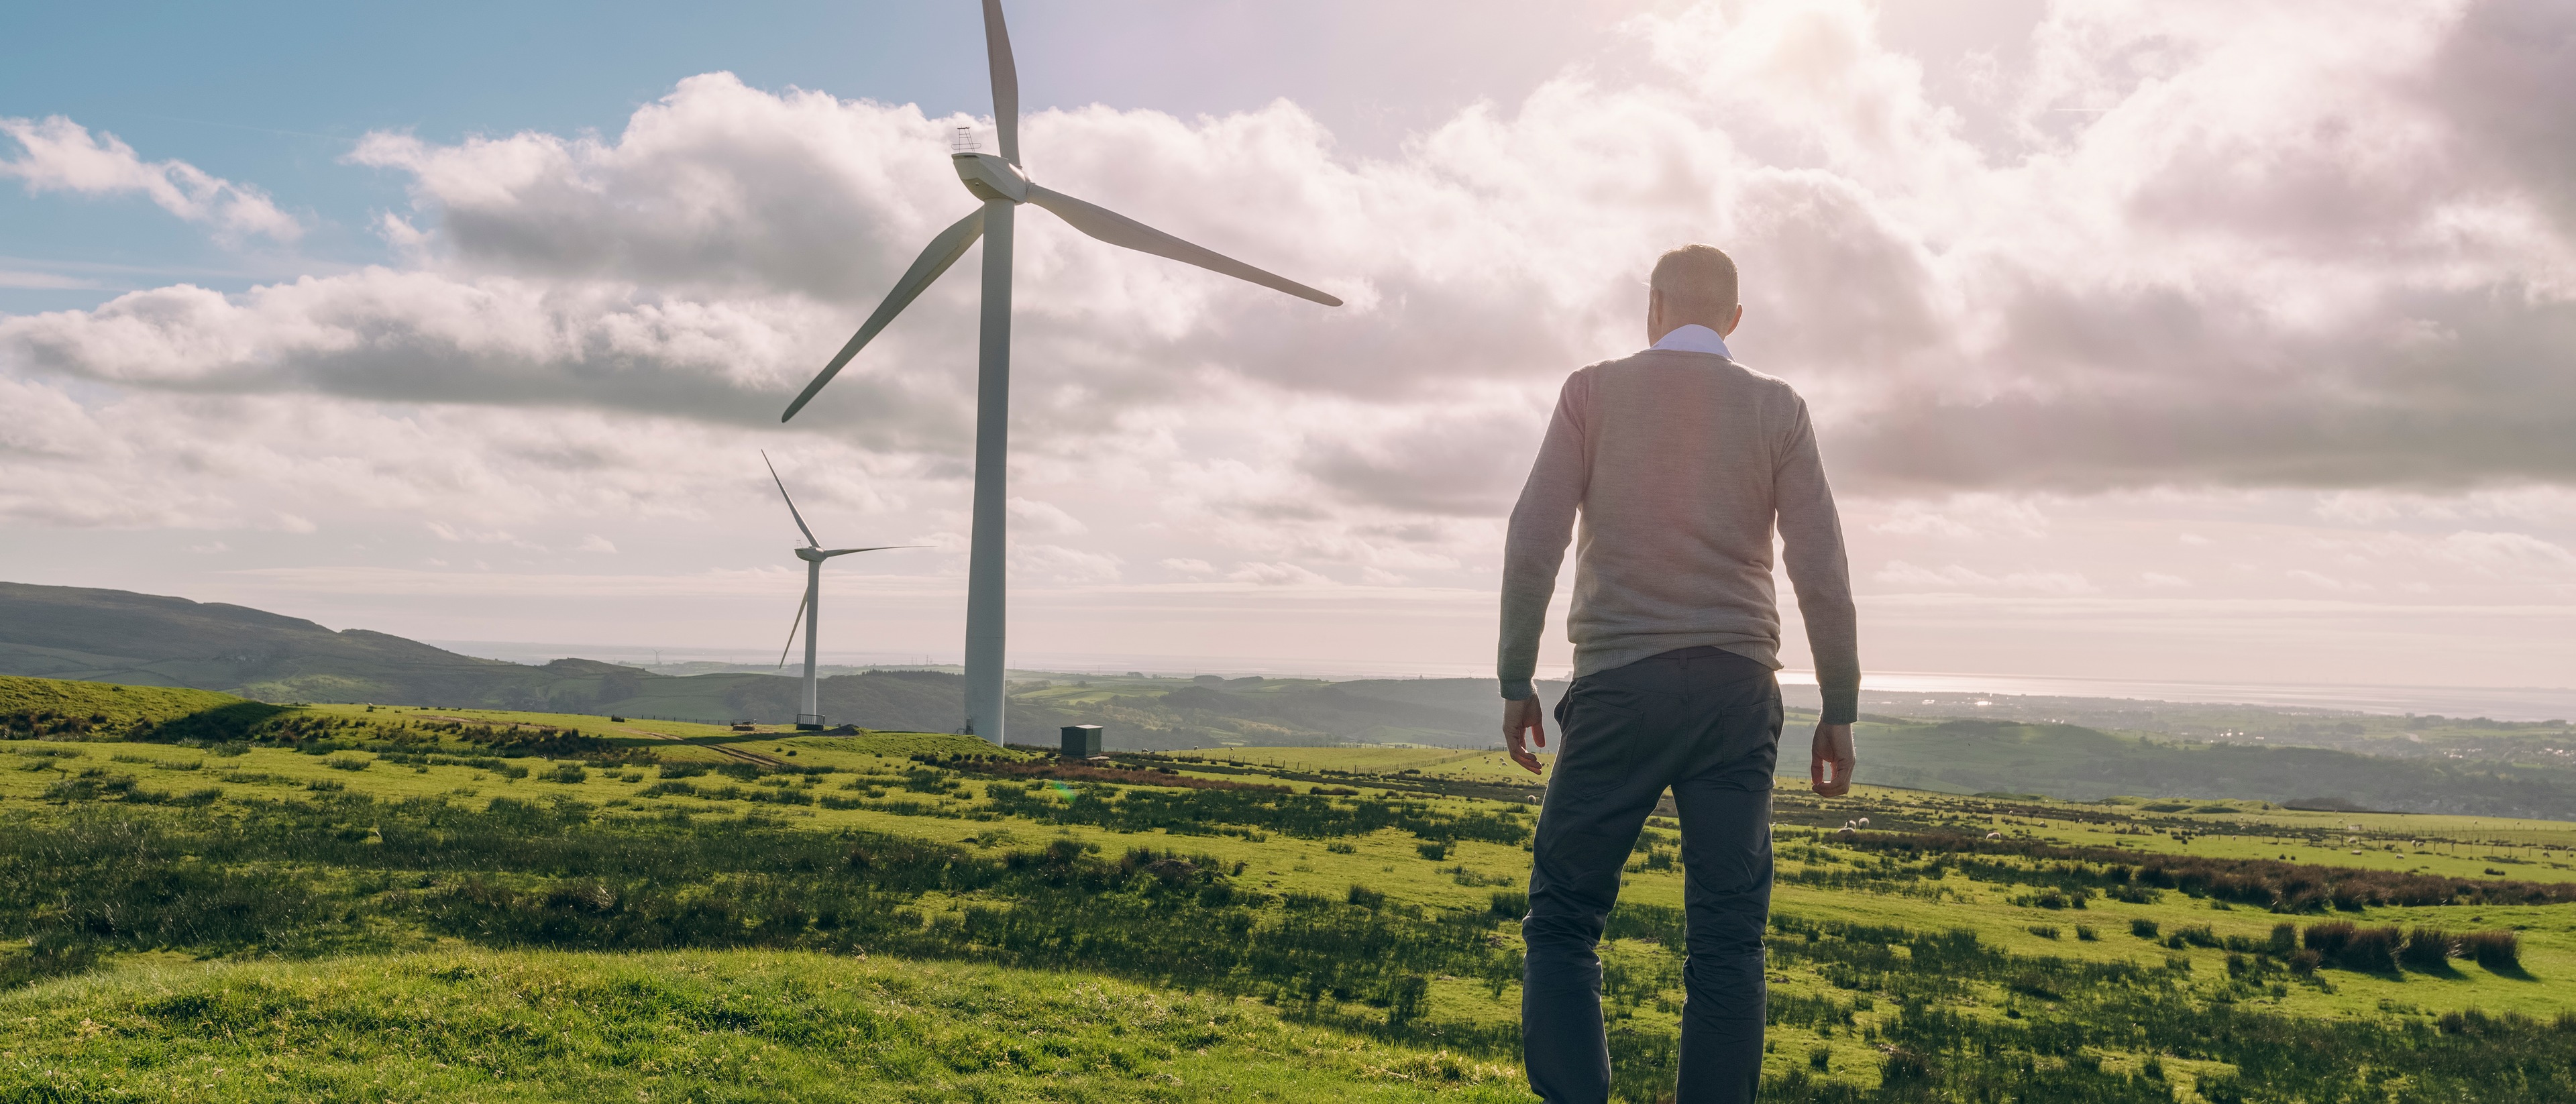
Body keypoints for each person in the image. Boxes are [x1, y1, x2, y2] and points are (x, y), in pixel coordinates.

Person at [1497, 243, 1859, 1103]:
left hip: (1621, 683)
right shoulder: (1779, 409)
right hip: (1738, 692)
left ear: (1652, 306)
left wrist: (1517, 677)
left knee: (1564, 920)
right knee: (1729, 940)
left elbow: (1534, 534)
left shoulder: (1592, 392)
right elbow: (1820, 565)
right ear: (1735, 318)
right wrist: (1839, 704)